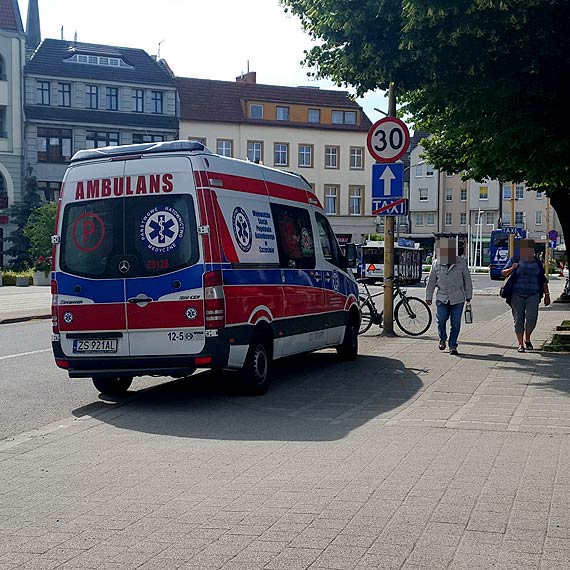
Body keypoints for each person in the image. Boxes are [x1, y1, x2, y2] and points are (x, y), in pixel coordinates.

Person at [501, 239, 550, 352]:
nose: (527, 251)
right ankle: (520, 344)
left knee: (532, 319)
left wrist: (547, 294)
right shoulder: (515, 259)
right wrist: (512, 268)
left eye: (530, 249)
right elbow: (503, 273)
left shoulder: (537, 262)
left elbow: (543, 279)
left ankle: (527, 338)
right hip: (516, 294)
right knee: (519, 320)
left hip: (533, 293)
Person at [426, 238, 473, 355]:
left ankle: (453, 345)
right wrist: (428, 296)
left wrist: (469, 295)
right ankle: (442, 338)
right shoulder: (436, 263)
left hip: (458, 298)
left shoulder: (461, 262)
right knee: (441, 320)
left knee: (455, 323)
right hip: (442, 297)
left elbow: (467, 280)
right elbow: (431, 281)